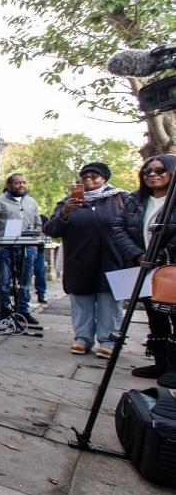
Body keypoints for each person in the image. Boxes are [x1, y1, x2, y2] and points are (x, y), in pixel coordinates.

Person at [44, 162, 127, 358]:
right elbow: (51, 229)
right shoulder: (68, 201)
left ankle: (108, 340)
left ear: (105, 178)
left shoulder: (120, 199)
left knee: (110, 302)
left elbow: (133, 226)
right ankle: (82, 338)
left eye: (94, 176)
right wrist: (65, 211)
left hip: (112, 259)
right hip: (80, 260)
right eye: (85, 176)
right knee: (81, 300)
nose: (88, 180)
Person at [112, 154, 176, 386]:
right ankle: (160, 362)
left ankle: (174, 367)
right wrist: (139, 254)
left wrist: (159, 256)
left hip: (171, 267)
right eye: (147, 171)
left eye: (159, 170)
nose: (152, 175)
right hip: (144, 266)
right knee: (155, 316)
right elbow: (118, 228)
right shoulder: (135, 200)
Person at [0, 173, 43, 325]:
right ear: (9, 185)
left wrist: (34, 243)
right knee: (4, 281)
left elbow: (38, 224)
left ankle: (23, 311)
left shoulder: (31, 202)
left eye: (24, 182)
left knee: (25, 281)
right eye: (17, 183)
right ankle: (5, 310)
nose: (21, 185)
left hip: (27, 247)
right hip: (6, 247)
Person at [34, 214, 49, 303]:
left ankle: (41, 294)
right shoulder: (22, 217)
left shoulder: (43, 218)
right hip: (26, 248)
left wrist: (43, 235)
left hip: (39, 249)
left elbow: (49, 231)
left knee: (40, 272)